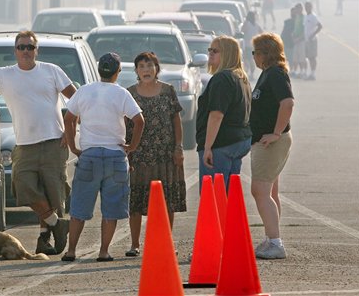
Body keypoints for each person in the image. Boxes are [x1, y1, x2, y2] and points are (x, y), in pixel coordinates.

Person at [0, 31, 76, 256]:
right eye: (21, 47)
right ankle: (58, 224)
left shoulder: (51, 71)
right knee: (23, 185)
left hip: (54, 142)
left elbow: (76, 99)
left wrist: (70, 130)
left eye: (30, 47)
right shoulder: (3, 75)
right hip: (25, 144)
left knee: (53, 193)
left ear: (37, 50)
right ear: (15, 51)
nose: (25, 51)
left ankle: (44, 237)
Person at [61, 52, 145, 262]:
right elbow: (139, 120)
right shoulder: (121, 93)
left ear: (99, 70)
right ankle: (104, 251)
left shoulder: (84, 91)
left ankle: (71, 250)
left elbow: (69, 118)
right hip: (115, 156)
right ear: (118, 72)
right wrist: (131, 146)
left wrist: (73, 146)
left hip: (89, 155)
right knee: (111, 207)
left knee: (79, 207)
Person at [124, 52, 186, 257]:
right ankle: (134, 244)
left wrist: (178, 147)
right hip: (139, 155)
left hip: (165, 154)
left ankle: (167, 242)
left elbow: (176, 120)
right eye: (141, 66)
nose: (146, 70)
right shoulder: (130, 93)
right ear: (136, 71)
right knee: (136, 200)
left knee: (167, 200)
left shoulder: (168, 91)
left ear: (156, 69)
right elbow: (125, 124)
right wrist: (127, 150)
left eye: (149, 65)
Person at [250, 32, 294, 260]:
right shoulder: (267, 74)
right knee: (270, 191)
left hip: (271, 142)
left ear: (265, 53)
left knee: (259, 190)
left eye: (255, 52)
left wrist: (276, 133)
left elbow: (287, 103)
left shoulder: (276, 74)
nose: (253, 57)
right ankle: (271, 238)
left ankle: (275, 242)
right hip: (265, 141)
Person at [196, 36, 252, 192]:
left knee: (212, 196)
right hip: (238, 141)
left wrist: (208, 147)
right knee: (229, 195)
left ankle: (219, 218)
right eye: (209, 50)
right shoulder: (241, 77)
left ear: (228, 54)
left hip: (221, 143)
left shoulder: (222, 78)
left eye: (215, 51)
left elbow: (216, 115)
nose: (210, 54)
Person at [241, 11, 264, 81]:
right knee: (251, 59)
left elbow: (242, 30)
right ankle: (251, 73)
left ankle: (248, 72)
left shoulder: (247, 23)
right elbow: (261, 32)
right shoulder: (256, 25)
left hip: (247, 45)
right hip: (254, 45)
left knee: (247, 59)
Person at [304, 1, 323, 80]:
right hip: (306, 40)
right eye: (306, 7)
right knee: (308, 57)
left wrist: (313, 35)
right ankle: (310, 72)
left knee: (312, 57)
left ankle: (313, 73)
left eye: (308, 6)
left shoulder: (313, 16)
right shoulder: (306, 16)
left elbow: (320, 26)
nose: (306, 8)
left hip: (312, 40)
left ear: (311, 7)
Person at [291, 3, 308, 79]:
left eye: (298, 8)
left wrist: (299, 38)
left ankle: (304, 72)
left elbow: (305, 30)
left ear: (301, 9)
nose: (296, 10)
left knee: (302, 57)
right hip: (296, 39)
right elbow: (296, 28)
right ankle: (297, 71)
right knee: (296, 57)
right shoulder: (297, 17)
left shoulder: (304, 17)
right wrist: (293, 35)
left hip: (301, 40)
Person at [280, 7, 296, 74]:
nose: (293, 13)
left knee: (293, 58)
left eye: (294, 12)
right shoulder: (287, 22)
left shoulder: (298, 21)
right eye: (292, 12)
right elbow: (283, 32)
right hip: (286, 42)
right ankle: (288, 70)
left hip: (293, 43)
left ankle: (293, 70)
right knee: (286, 58)